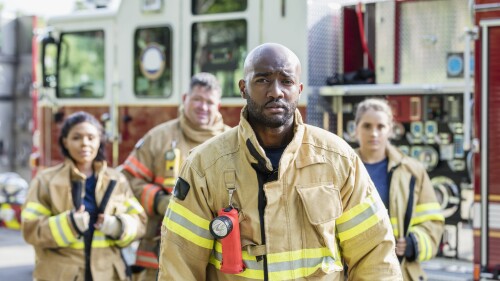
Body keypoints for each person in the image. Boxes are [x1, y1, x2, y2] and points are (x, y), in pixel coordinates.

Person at [158, 43, 402, 280]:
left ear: (299, 89)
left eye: (286, 81)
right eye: (263, 79)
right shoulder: (204, 166)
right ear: (243, 88)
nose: (276, 91)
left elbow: (374, 256)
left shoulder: (338, 159)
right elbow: (179, 265)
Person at [122, 72, 230, 280]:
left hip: (216, 254)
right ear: (184, 99)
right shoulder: (159, 137)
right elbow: (128, 180)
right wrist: (158, 201)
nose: (203, 107)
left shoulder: (231, 142)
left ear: (218, 105)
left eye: (209, 102)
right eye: (197, 99)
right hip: (158, 254)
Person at [21, 111, 146, 281]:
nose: (84, 144)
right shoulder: (45, 181)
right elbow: (31, 230)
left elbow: (140, 223)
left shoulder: (117, 180)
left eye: (91, 137)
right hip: (62, 275)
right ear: (65, 141)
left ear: (99, 140)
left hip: (108, 274)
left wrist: (117, 226)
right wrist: (69, 224)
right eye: (76, 137)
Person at [354, 98, 444, 280]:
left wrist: (413, 243)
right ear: (356, 129)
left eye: (381, 126)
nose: (374, 133)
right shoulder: (342, 169)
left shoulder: (412, 171)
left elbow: (433, 222)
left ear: (390, 130)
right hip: (353, 270)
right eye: (367, 126)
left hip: (399, 272)